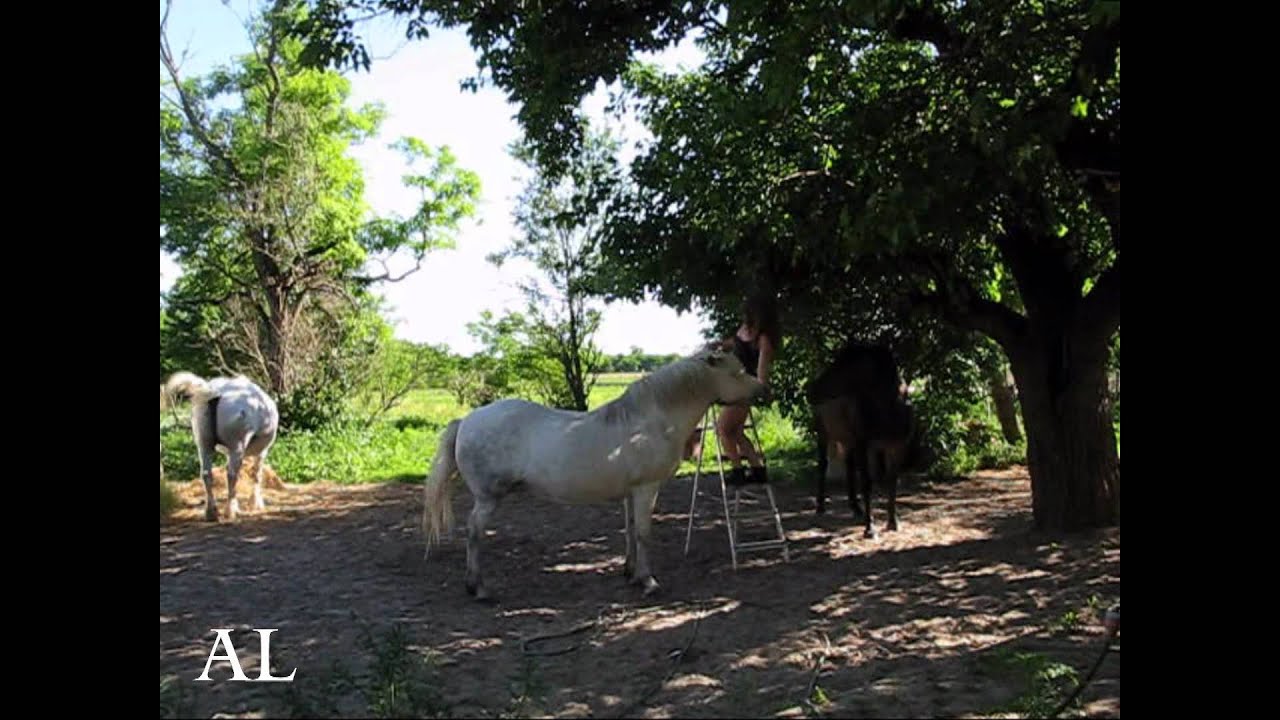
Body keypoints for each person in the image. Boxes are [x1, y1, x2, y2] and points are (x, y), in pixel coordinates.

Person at [683, 293, 781, 485]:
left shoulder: (763, 340)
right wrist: (717, 344)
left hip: (743, 388)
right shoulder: (744, 330)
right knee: (735, 432)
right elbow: (733, 343)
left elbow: (761, 375)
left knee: (723, 430)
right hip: (733, 385)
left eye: (747, 312)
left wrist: (758, 389)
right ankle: (757, 469)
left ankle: (738, 471)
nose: (744, 315)